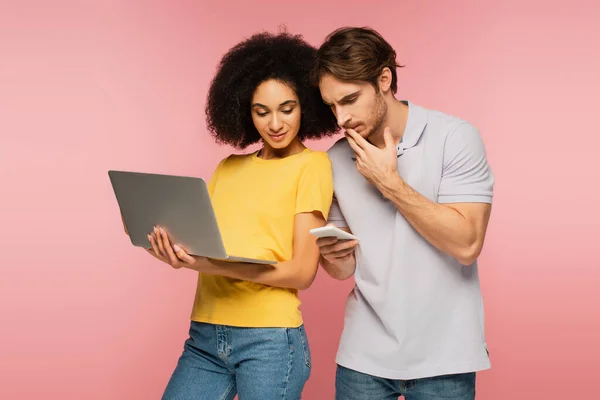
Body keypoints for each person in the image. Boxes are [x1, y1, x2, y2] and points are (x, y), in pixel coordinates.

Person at [141, 31, 338, 399]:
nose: (275, 124)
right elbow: (204, 244)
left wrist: (207, 265)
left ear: (306, 106)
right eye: (261, 111)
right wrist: (173, 251)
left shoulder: (312, 166)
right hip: (204, 335)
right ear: (244, 112)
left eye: (287, 108)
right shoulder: (228, 168)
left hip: (270, 343)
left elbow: (302, 272)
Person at [312, 27, 495, 400]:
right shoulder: (334, 159)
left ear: (384, 79)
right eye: (332, 106)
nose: (341, 118)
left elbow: (467, 244)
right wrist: (331, 257)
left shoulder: (454, 138)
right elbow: (344, 269)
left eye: (350, 99)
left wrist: (389, 182)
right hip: (363, 357)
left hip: (445, 358)